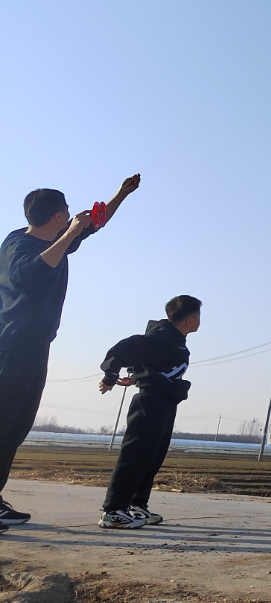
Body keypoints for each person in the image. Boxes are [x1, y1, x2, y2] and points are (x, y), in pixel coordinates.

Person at [0, 175, 141, 530]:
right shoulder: (19, 244)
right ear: (59, 216)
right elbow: (25, 277)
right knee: (2, 425)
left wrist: (121, 193)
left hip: (36, 348)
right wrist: (67, 236)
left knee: (16, 428)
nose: (71, 215)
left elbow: (97, 220)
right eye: (67, 211)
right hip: (11, 347)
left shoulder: (59, 239)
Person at [97, 295, 202, 529]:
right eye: (198, 316)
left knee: (152, 457)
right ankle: (113, 511)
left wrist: (136, 377)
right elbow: (123, 350)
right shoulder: (162, 337)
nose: (199, 321)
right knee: (134, 456)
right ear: (191, 320)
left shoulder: (175, 340)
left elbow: (157, 366)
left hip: (165, 402)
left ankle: (136, 505)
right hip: (149, 403)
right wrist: (110, 377)